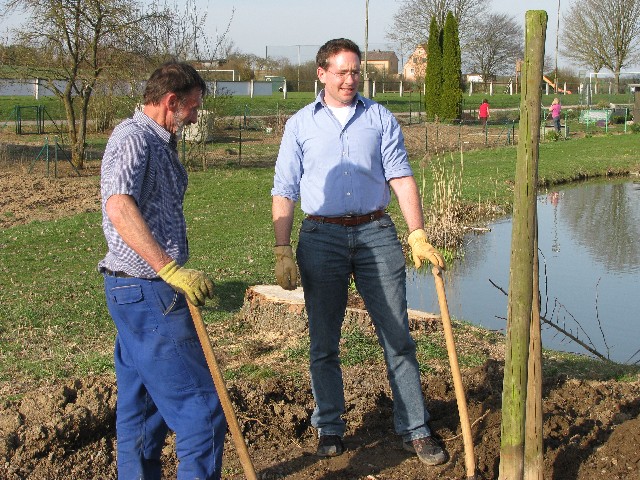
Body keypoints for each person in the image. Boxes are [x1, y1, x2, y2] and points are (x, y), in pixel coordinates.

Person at [271, 38, 448, 467]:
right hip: (321, 237)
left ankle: (415, 429)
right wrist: (282, 247)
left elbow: (401, 176)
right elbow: (284, 189)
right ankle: (330, 427)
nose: (350, 79)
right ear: (322, 74)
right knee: (324, 341)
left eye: (355, 72)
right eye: (341, 72)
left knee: (398, 337)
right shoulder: (300, 124)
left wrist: (417, 233)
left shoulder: (380, 117)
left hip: (376, 233)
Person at [98, 61, 226, 480]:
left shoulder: (155, 140)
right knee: (203, 415)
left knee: (142, 413)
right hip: (148, 292)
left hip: (133, 293)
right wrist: (169, 269)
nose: (195, 117)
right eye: (193, 107)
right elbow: (119, 205)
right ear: (171, 101)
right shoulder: (134, 139)